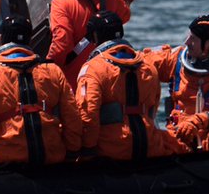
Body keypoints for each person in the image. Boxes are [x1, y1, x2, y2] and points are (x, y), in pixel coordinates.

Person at [0, 15, 81, 165]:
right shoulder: (53, 71)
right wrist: (72, 153)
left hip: (7, 156)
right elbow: (72, 116)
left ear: (0, 39)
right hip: (51, 154)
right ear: (28, 39)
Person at [75, 12, 188, 161]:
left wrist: (86, 152)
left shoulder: (92, 69)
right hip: (149, 147)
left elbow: (87, 114)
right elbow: (152, 109)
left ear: (95, 37)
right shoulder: (148, 67)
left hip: (113, 153)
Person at [142, 14, 209, 151]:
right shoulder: (176, 59)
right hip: (179, 135)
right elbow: (141, 62)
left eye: (193, 39)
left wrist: (201, 120)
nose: (187, 42)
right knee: (149, 137)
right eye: (189, 36)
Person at [41, 0, 133, 88]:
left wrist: (48, 68)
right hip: (112, 70)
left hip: (78, 77)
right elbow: (124, 17)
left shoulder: (61, 1)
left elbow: (62, 43)